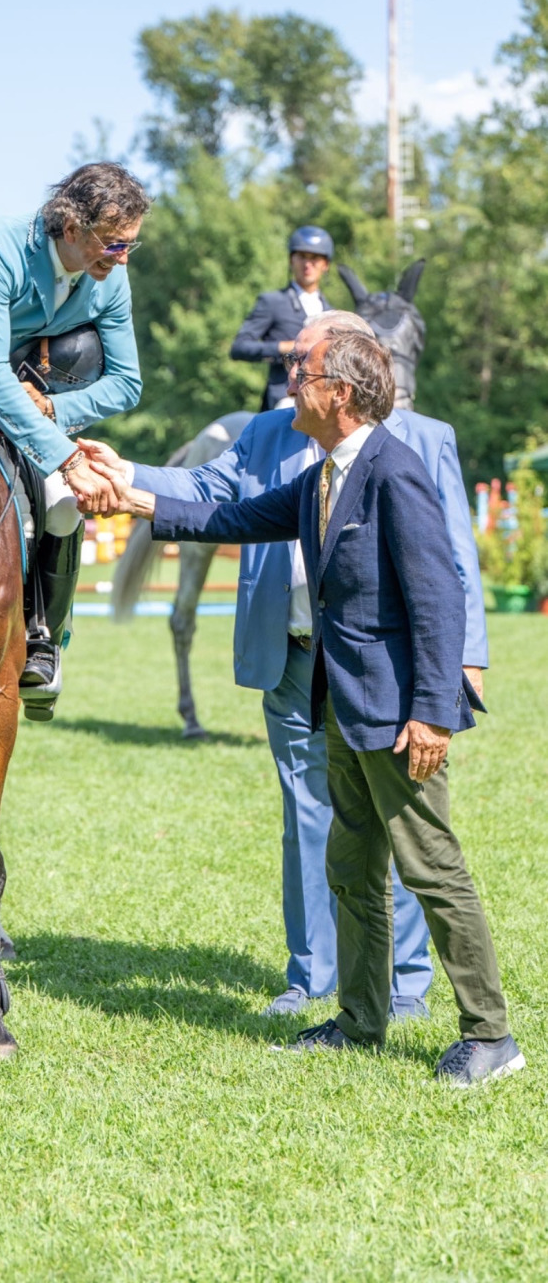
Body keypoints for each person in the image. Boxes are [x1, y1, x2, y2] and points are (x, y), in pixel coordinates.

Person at [113, 329, 523, 1086]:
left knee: (431, 868)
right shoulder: (325, 476)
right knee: (351, 867)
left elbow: (438, 600)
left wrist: (432, 713)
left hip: (400, 715)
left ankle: (491, 1035)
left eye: (302, 370)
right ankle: (361, 1021)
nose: (288, 378)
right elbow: (231, 519)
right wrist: (134, 498)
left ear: (341, 391)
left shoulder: (393, 473)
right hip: (342, 706)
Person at [0, 161, 149, 715]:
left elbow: (128, 383)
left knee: (63, 505)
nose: (120, 259)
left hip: (19, 408)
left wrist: (53, 406)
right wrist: (65, 455)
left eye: (128, 247)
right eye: (114, 245)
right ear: (71, 228)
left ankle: (45, 636)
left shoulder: (109, 276)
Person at [230, 225, 333, 410]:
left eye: (315, 258)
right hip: (285, 395)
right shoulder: (272, 302)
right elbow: (239, 347)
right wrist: (282, 348)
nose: (307, 264)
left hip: (323, 396)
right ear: (291, 260)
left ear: (326, 264)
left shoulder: (332, 313)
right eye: (302, 256)